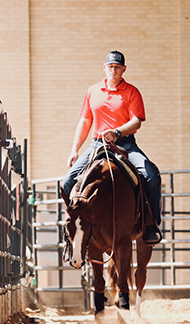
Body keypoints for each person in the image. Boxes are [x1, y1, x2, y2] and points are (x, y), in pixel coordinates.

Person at [62, 50, 162, 245]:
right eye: (110, 67)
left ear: (124, 69)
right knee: (67, 182)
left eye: (117, 67)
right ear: (104, 68)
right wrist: (74, 150)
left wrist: (117, 133)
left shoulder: (132, 92)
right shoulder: (92, 91)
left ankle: (151, 224)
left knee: (150, 174)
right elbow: (85, 122)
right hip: (97, 145)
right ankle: (69, 228)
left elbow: (136, 122)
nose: (113, 71)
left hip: (125, 145)